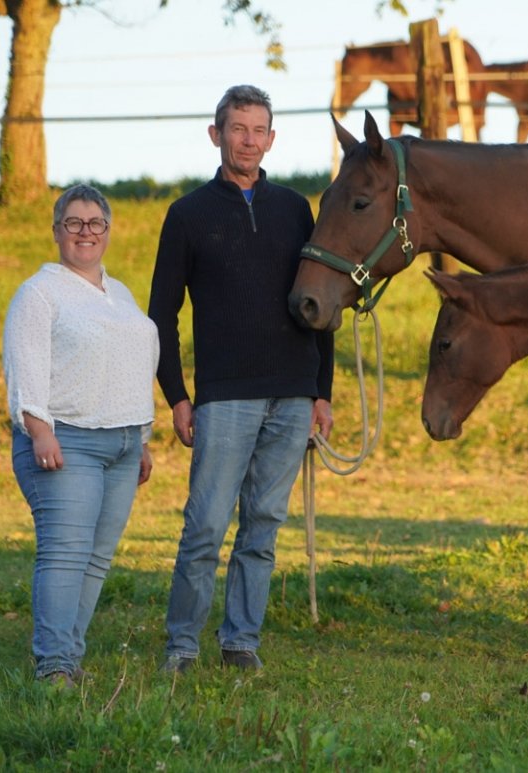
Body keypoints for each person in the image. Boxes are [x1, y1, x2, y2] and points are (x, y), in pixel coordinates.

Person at [148, 84, 334, 673]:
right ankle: (182, 645)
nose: (248, 141)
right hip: (224, 398)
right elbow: (161, 313)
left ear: (271, 139)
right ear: (216, 134)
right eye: (238, 129)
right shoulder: (187, 215)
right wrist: (177, 396)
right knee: (205, 525)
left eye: (258, 131)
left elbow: (321, 302)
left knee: (263, 525)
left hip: (293, 395)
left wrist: (322, 392)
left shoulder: (296, 209)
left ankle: (240, 641)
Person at [3, 184, 159, 688]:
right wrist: (39, 430)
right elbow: (25, 365)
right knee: (65, 554)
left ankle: (68, 657)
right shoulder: (39, 293)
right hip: (67, 441)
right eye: (74, 222)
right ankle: (53, 667)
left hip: (122, 445)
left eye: (95, 223)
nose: (85, 232)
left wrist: (142, 438)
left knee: (95, 558)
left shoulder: (121, 294)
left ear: (108, 231)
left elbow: (132, 365)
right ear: (57, 232)